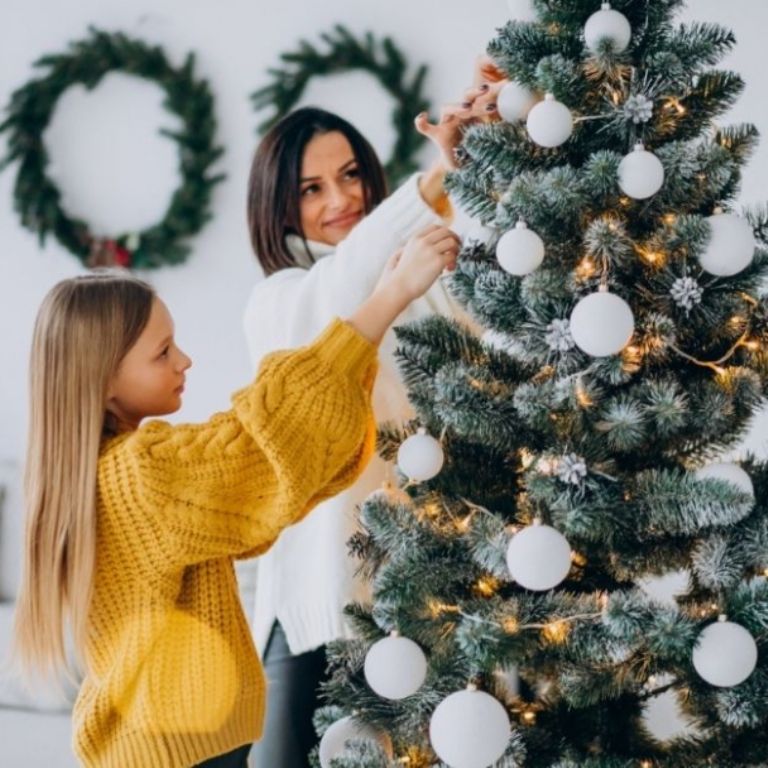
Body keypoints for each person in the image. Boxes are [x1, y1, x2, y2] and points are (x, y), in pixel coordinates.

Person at [11, 226, 459, 768]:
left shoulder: (97, 473)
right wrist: (390, 297)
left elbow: (266, 478)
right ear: (104, 378)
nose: (185, 361)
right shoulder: (142, 473)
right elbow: (262, 438)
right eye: (162, 351)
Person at [243, 65, 505, 767]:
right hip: (318, 612)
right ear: (278, 207)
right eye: (312, 188)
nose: (343, 197)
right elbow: (347, 289)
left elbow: (492, 317)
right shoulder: (281, 299)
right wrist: (433, 181)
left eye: (352, 173)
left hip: (429, 600)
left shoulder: (419, 280)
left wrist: (485, 155)